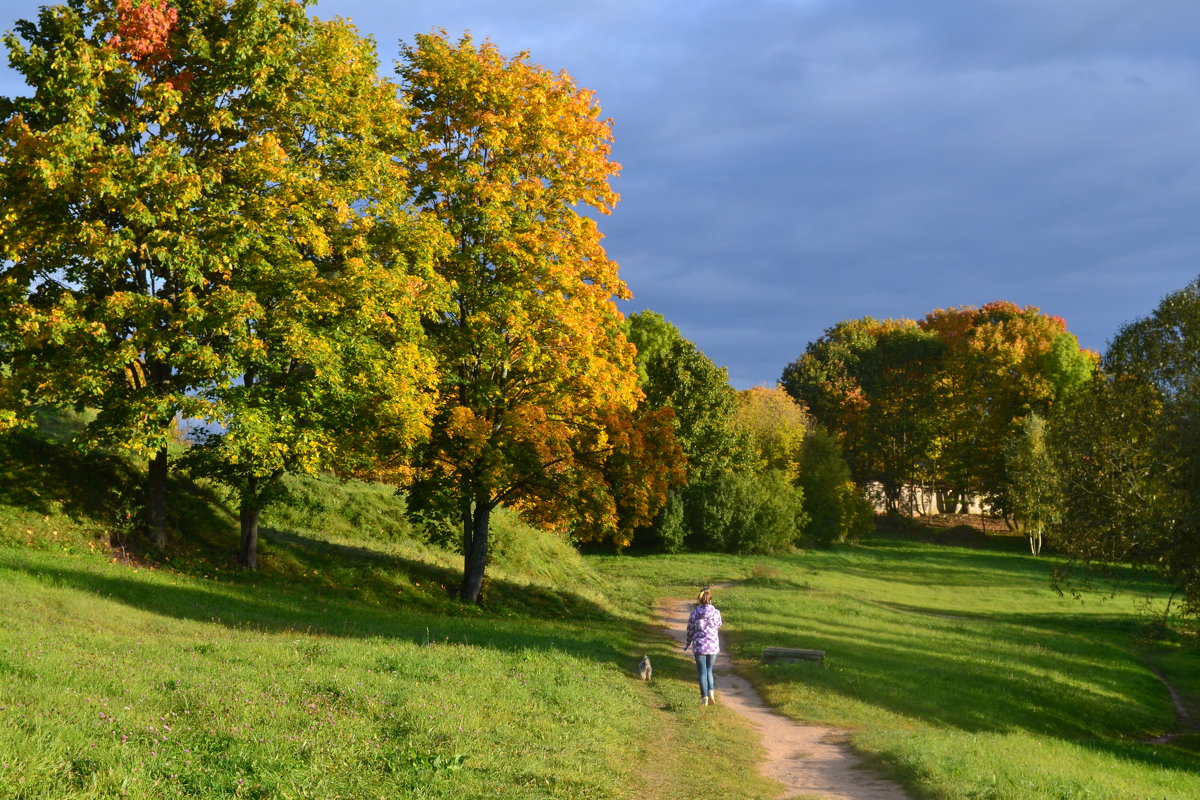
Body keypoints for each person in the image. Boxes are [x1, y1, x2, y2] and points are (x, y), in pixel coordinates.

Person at [683, 586, 723, 706]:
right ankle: (711, 692)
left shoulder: (694, 613)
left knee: (702, 672)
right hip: (712, 647)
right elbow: (719, 624)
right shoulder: (716, 613)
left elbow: (690, 630)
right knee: (709, 670)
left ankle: (704, 697)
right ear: (710, 599)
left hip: (699, 647)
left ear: (699, 600)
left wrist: (688, 642)